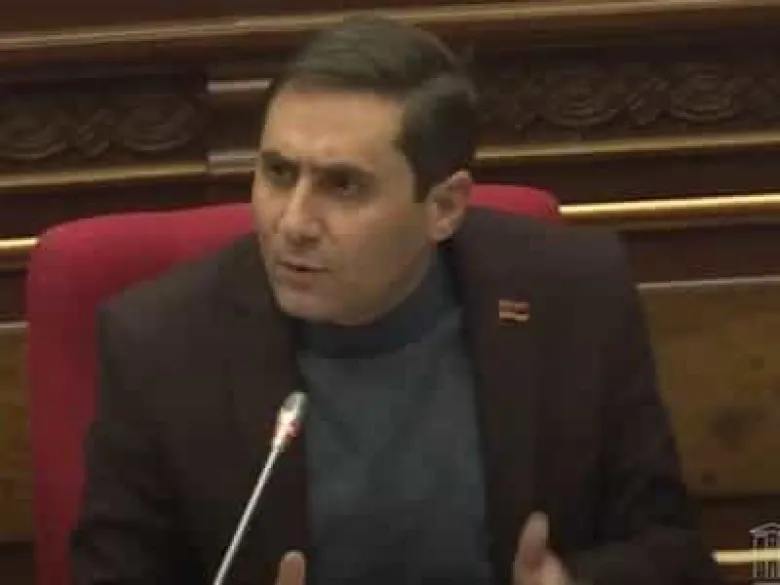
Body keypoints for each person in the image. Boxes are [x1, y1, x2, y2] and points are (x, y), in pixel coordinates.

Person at [71, 13, 722, 585]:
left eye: (344, 186)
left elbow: (672, 551)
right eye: (278, 173)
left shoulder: (571, 297)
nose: (293, 222)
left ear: (444, 207)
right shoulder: (161, 344)